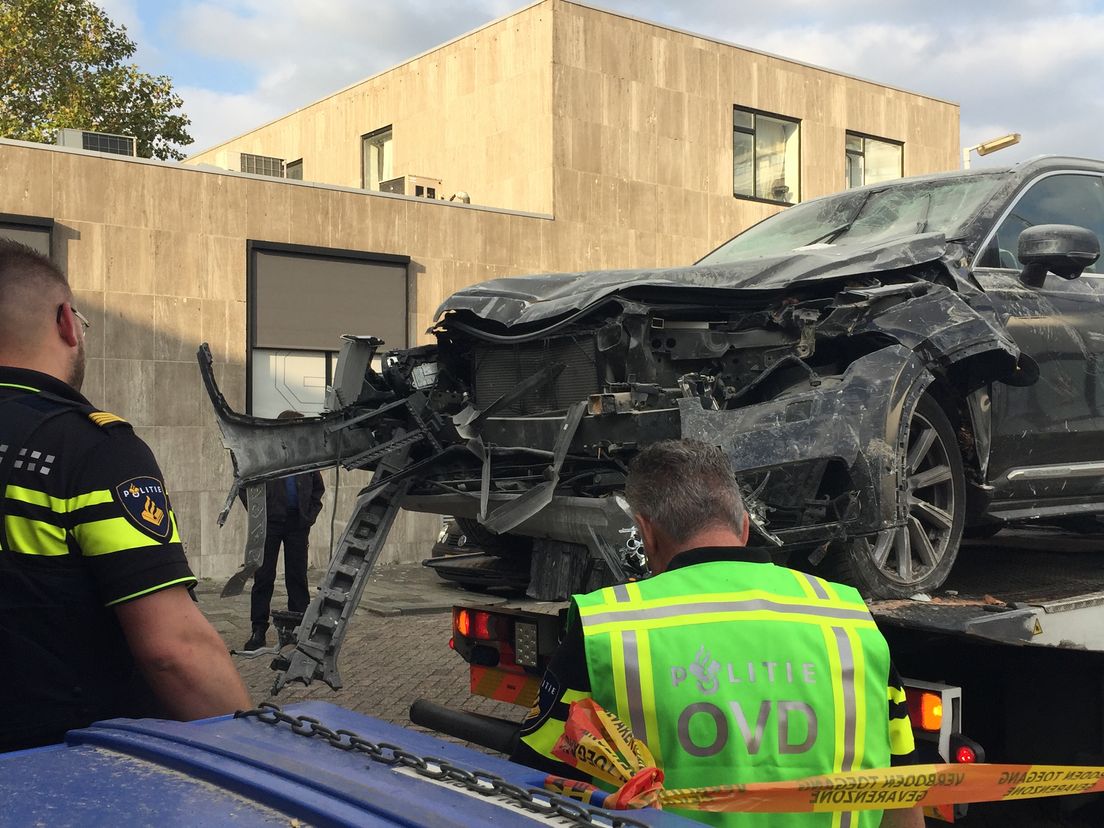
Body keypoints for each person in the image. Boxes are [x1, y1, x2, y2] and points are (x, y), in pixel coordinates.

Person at [512, 439, 923, 828]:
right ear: (744, 526)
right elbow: (904, 798)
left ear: (646, 533)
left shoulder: (609, 627)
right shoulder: (849, 618)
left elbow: (528, 787)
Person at [0, 239, 251, 752]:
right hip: (69, 778)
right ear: (67, 322)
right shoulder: (88, 450)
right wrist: (259, 756)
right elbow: (173, 651)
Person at [242, 411, 325, 651]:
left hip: (298, 524)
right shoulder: (265, 454)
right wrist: (259, 514)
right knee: (263, 577)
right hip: (270, 525)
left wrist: (309, 516)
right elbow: (244, 486)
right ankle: (258, 630)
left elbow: (317, 488)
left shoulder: (304, 456)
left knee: (297, 577)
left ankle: (299, 628)